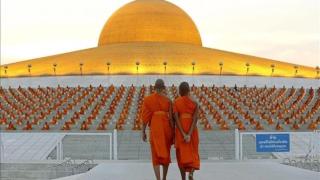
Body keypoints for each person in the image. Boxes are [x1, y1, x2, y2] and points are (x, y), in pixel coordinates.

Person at [141, 79, 174, 180]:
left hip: (155, 129)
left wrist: (143, 131)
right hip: (166, 129)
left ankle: (158, 179)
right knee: (166, 153)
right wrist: (173, 132)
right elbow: (172, 119)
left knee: (155, 155)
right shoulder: (168, 100)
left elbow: (145, 117)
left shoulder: (148, 100)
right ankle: (164, 178)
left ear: (155, 88)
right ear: (163, 88)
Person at [173, 82, 200, 180]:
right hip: (192, 131)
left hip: (181, 131)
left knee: (181, 155)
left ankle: (183, 177)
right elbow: (195, 119)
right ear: (188, 90)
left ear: (180, 91)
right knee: (193, 153)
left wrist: (183, 134)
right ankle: (191, 172)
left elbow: (176, 119)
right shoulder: (195, 103)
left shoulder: (176, 102)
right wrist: (189, 134)